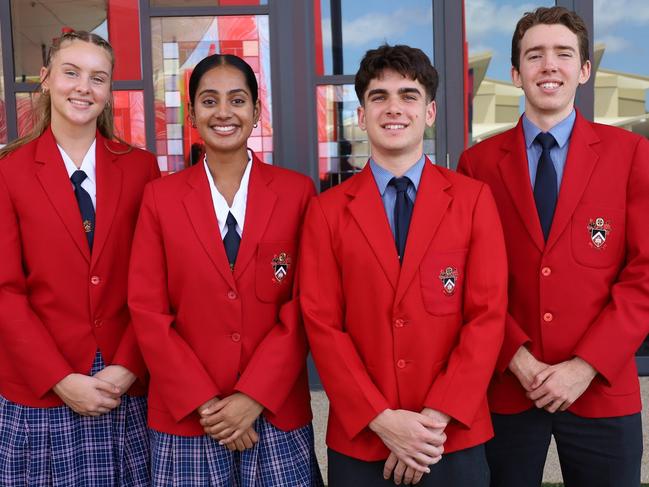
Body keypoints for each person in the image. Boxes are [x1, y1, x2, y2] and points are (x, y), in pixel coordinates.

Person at [300, 44, 508, 486]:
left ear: (430, 112)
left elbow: (487, 318)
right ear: (361, 115)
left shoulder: (473, 201)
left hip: (450, 436)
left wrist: (431, 424)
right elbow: (322, 324)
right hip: (364, 438)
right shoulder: (327, 211)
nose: (394, 108)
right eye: (379, 97)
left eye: (408, 95)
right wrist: (383, 421)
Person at [457, 6, 649, 487]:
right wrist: (517, 359)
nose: (549, 65)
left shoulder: (631, 155)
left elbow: (644, 274)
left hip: (601, 385)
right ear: (516, 72)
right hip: (507, 385)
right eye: (535, 55)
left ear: (584, 71)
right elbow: (464, 277)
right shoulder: (477, 164)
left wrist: (584, 367)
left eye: (564, 54)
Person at [128, 53, 323, 486]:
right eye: (209, 100)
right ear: (193, 113)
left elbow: (305, 305)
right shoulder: (160, 199)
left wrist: (253, 396)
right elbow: (147, 311)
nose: (223, 113)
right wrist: (206, 404)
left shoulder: (296, 193)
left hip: (273, 410)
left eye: (237, 100)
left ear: (256, 110)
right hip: (188, 416)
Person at [0, 31, 159, 486]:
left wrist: (128, 366)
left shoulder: (141, 168)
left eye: (98, 77)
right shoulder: (8, 173)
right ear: (46, 79)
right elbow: (5, 291)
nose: (83, 87)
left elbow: (155, 281)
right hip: (42, 386)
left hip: (123, 382)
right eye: (71, 73)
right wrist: (58, 378)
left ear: (110, 92)